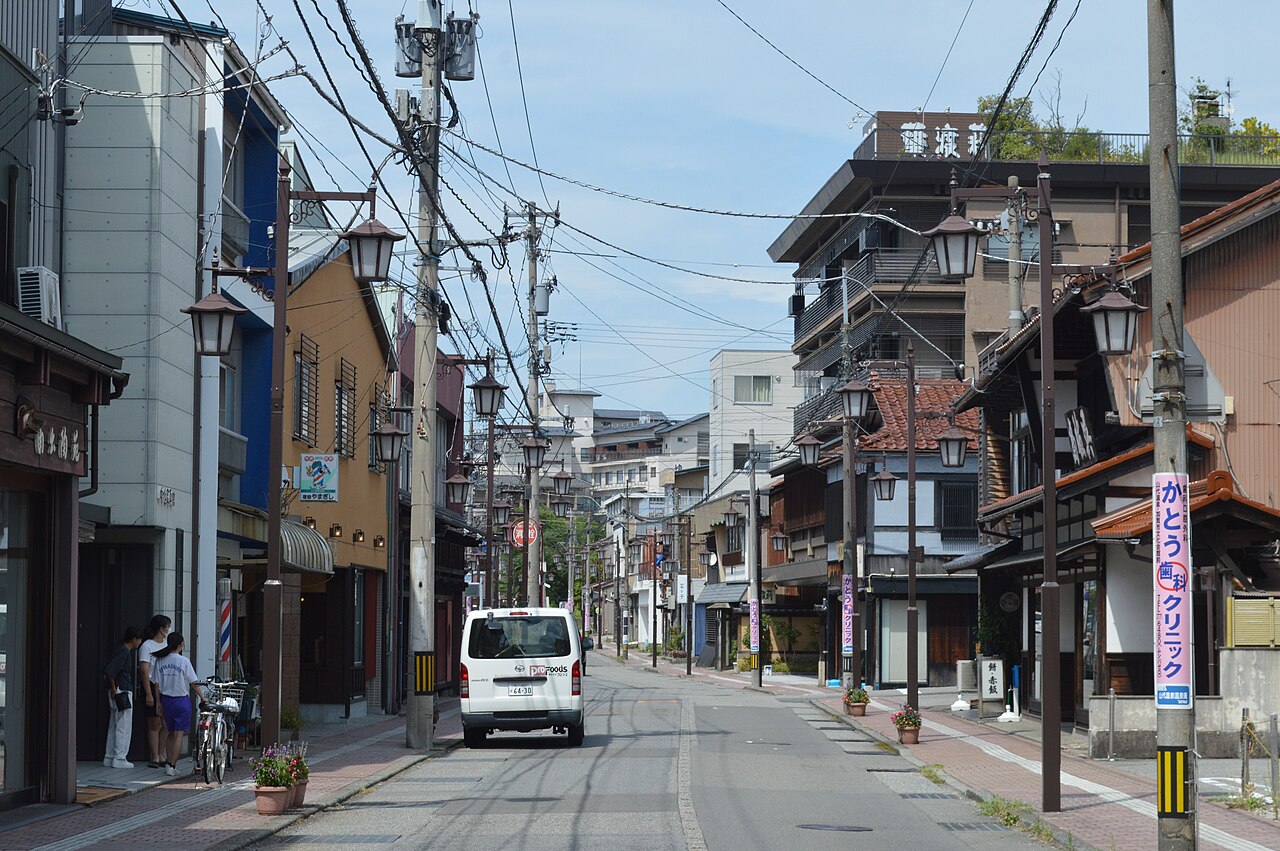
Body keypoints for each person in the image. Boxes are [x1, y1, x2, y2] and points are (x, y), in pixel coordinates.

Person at [150, 633, 204, 776]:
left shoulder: (160, 661)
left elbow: (156, 684)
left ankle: (168, 763)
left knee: (169, 734)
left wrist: (158, 702)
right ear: (181, 645)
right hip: (181, 701)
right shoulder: (184, 661)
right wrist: (203, 698)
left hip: (166, 700)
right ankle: (173, 766)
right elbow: (194, 683)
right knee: (179, 735)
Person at [103, 626, 143, 768]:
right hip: (122, 691)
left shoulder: (119, 650)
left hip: (116, 690)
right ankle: (120, 757)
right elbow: (111, 672)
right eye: (139, 639)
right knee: (123, 725)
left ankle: (109, 756)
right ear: (134, 639)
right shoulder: (124, 652)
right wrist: (114, 688)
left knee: (114, 724)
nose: (140, 642)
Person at [139, 615, 172, 768]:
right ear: (161, 628)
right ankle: (155, 756)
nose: (168, 630)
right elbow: (144, 671)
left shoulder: (167, 644)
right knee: (155, 723)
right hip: (152, 685)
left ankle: (161, 753)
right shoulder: (147, 646)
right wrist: (149, 694)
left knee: (165, 723)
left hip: (166, 686)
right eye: (167, 626)